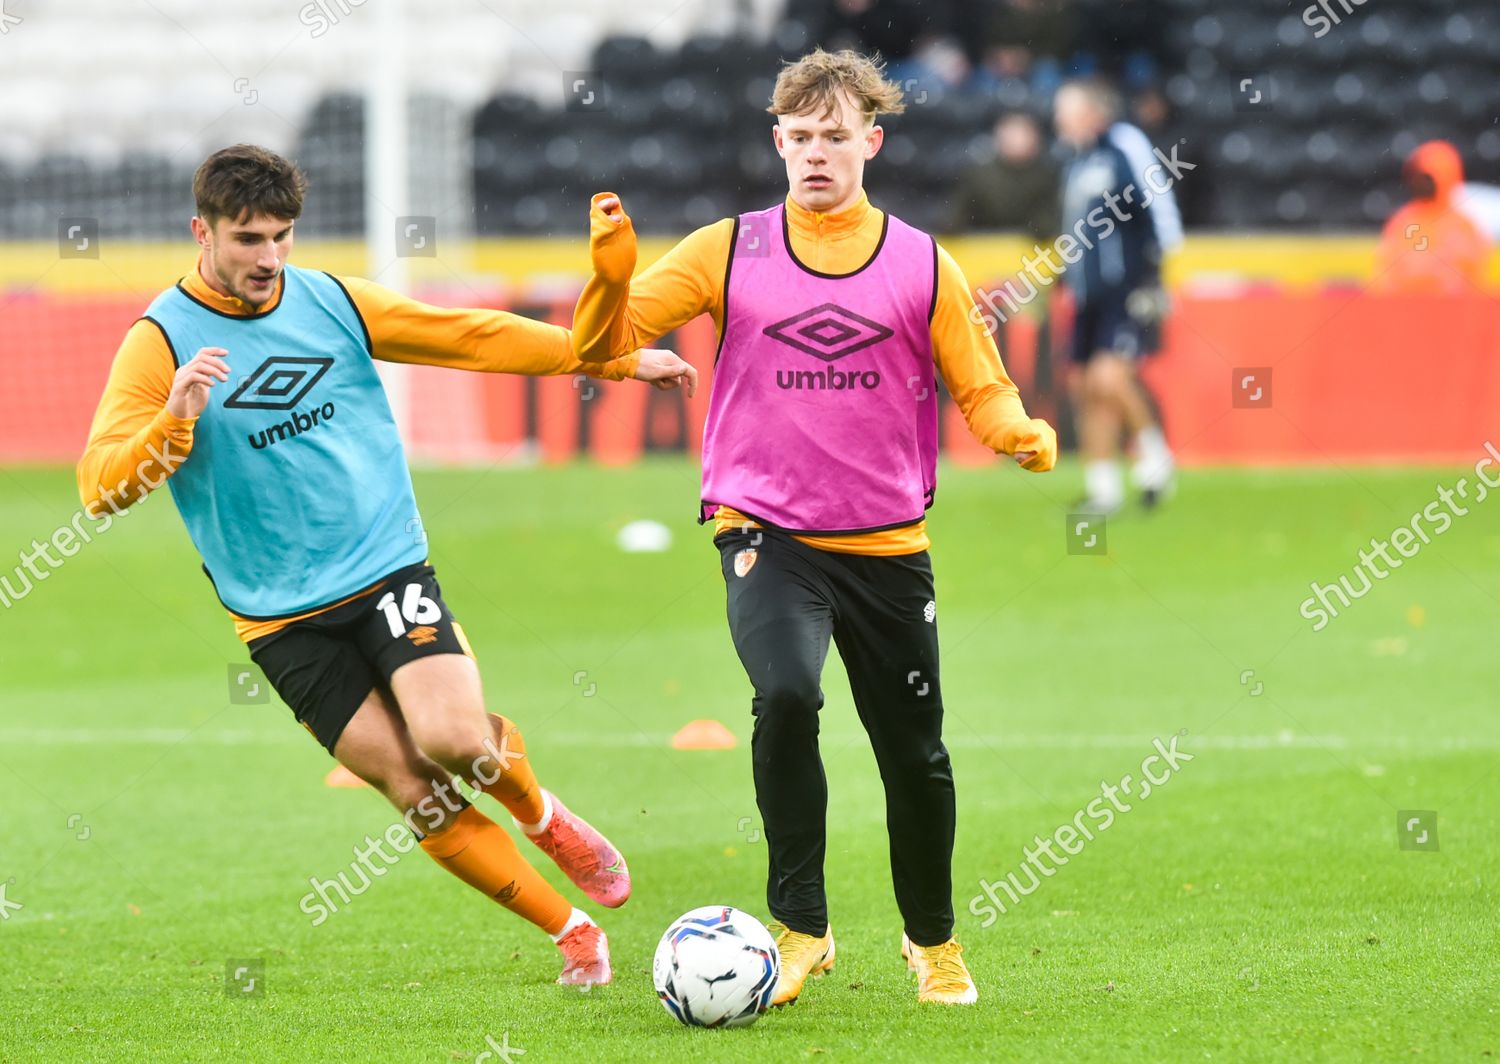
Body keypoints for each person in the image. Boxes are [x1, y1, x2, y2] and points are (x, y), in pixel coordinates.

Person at [76, 144, 697, 990]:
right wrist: (174, 421)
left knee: (452, 740)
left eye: (282, 237)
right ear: (202, 231)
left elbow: (471, 336)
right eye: (249, 239)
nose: (268, 259)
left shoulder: (329, 300)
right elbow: (100, 490)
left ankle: (545, 817)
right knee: (413, 787)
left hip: (386, 567)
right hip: (279, 618)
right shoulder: (160, 343)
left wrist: (615, 359)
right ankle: (571, 930)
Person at [570, 49, 1057, 1007]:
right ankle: (801, 930)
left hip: (886, 548)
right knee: (785, 696)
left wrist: (1015, 432)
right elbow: (606, 342)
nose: (816, 154)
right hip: (766, 534)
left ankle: (934, 943)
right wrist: (609, 278)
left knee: (914, 751)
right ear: (777, 142)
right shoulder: (728, 247)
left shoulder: (922, 260)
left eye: (836, 137)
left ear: (872, 143)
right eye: (800, 138)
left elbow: (981, 384)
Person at [1053, 77, 1181, 513]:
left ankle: (1157, 458)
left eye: (1066, 110)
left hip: (1126, 287)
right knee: (1086, 386)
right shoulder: (1076, 161)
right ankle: (1103, 487)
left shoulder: (1123, 143)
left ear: (1091, 112)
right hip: (1089, 293)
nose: (1058, 119)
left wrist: (1153, 276)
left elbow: (1156, 205)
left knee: (1110, 377)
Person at [1375, 140, 1491, 294]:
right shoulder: (1402, 221)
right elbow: (1386, 275)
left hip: (1453, 311)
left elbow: (1476, 278)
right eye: (1418, 176)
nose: (1421, 183)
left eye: (1428, 178)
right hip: (1408, 309)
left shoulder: (1463, 226)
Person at [946, 111, 1058, 241]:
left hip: (1029, 252)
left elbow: (1047, 223)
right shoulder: (978, 175)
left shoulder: (1047, 176)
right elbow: (957, 220)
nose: (1018, 141)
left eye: (1023, 134)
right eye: (1012, 135)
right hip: (984, 251)